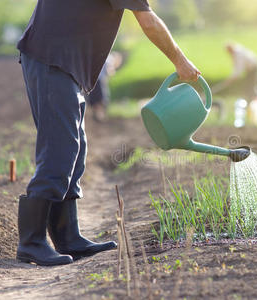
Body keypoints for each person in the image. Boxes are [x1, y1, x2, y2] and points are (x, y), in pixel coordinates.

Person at [16, 0, 200, 266]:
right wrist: (181, 62)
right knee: (60, 150)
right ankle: (31, 242)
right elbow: (148, 21)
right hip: (52, 59)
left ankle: (68, 236)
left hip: (61, 62)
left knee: (74, 149)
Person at [86, 52, 123, 122]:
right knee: (100, 100)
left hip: (92, 81)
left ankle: (96, 115)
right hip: (99, 81)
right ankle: (99, 115)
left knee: (95, 100)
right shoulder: (110, 59)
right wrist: (112, 72)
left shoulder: (104, 55)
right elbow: (109, 71)